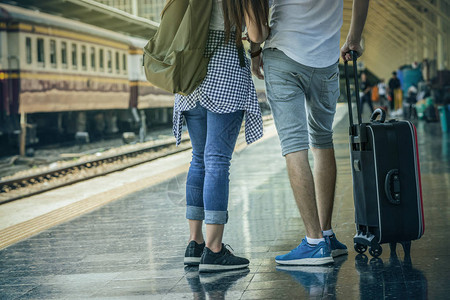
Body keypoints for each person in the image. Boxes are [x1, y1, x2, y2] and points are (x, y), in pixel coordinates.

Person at [251, 0, 369, 265]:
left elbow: (257, 22)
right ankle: (326, 235)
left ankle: (314, 242)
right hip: (326, 61)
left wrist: (255, 51)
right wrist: (354, 38)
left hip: (283, 56)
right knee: (322, 140)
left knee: (294, 145)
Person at [174, 0, 269, 272]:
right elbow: (256, 33)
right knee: (216, 161)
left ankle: (196, 243)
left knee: (199, 159)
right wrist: (260, 43)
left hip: (189, 75)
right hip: (224, 72)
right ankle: (215, 251)